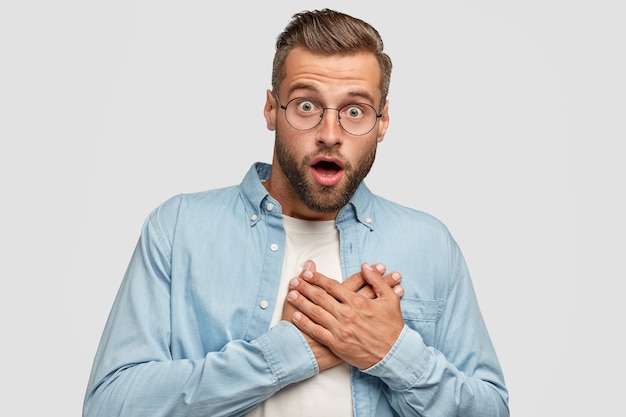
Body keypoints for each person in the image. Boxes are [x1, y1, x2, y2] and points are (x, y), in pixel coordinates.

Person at [83, 8, 509, 417]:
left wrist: (392, 353)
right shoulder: (178, 230)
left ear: (383, 122)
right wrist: (284, 353)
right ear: (272, 109)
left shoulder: (430, 243)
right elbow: (109, 406)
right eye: (306, 105)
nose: (329, 134)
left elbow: (492, 409)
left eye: (355, 111)